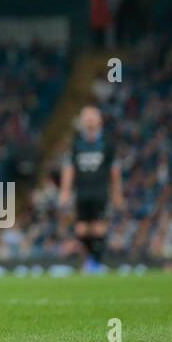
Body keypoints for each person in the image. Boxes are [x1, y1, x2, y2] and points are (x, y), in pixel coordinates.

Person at [58, 105, 123, 272]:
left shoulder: (107, 142)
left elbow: (114, 170)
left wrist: (117, 194)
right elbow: (69, 168)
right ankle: (89, 261)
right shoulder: (76, 142)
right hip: (82, 191)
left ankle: (97, 263)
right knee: (81, 228)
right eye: (86, 117)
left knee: (99, 226)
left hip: (100, 190)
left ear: (99, 120)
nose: (89, 120)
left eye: (92, 117)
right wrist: (65, 191)